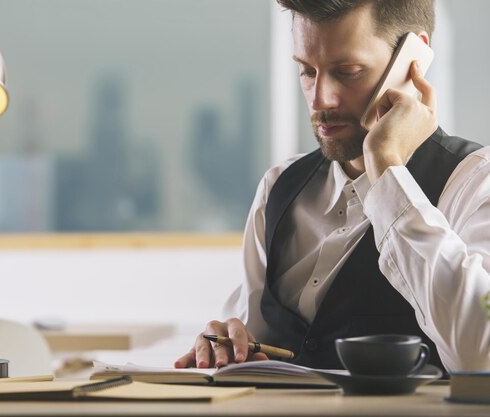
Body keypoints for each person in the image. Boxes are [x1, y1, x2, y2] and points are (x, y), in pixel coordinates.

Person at [175, 0, 490, 373]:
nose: (320, 98)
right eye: (307, 71)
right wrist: (226, 343)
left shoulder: (476, 184)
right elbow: (250, 341)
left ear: (413, 62)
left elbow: (481, 356)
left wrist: (387, 166)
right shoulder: (279, 188)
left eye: (347, 71)